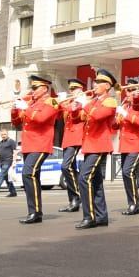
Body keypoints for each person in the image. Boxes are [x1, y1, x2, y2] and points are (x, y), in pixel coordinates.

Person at [75, 68, 120, 229]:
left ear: (107, 86)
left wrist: (84, 103)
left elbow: (98, 116)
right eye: (96, 81)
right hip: (90, 145)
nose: (95, 84)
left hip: (99, 144)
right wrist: (75, 107)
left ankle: (90, 216)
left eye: (99, 82)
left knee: (83, 178)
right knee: (95, 182)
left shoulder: (110, 101)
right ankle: (101, 216)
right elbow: (79, 118)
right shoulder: (93, 101)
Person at [11, 75, 60, 224]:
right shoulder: (30, 103)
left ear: (44, 88)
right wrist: (15, 110)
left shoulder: (51, 101)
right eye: (32, 88)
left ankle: (35, 212)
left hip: (41, 143)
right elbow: (17, 123)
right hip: (29, 144)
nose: (32, 91)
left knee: (28, 173)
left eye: (35, 88)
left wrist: (25, 108)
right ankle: (35, 211)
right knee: (33, 177)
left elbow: (41, 119)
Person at [116, 86, 139, 216]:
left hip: (135, 144)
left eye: (130, 91)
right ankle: (132, 203)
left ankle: (134, 204)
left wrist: (125, 114)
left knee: (127, 172)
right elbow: (116, 125)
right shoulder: (125, 107)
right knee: (126, 175)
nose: (127, 94)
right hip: (125, 145)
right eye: (127, 91)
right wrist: (116, 116)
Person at [57, 79, 86, 212]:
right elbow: (57, 114)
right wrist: (58, 102)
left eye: (74, 89)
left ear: (80, 89)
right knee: (71, 168)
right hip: (67, 138)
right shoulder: (68, 102)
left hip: (76, 137)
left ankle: (77, 196)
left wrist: (63, 103)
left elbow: (75, 114)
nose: (71, 91)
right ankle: (73, 201)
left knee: (66, 166)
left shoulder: (83, 100)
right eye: (71, 89)